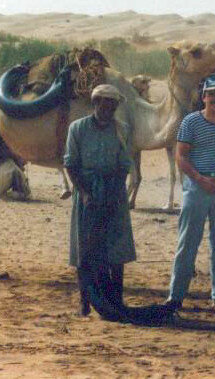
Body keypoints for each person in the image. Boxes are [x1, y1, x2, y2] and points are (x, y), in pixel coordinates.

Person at [167, 75, 215, 312]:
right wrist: (200, 179)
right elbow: (181, 155)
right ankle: (175, 296)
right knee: (187, 242)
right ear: (204, 97)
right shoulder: (191, 122)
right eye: (211, 95)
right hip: (196, 187)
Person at [65, 84, 136, 316]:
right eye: (104, 103)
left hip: (114, 191)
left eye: (112, 104)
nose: (108, 108)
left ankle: (117, 301)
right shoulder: (77, 128)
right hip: (86, 191)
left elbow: (124, 165)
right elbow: (70, 164)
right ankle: (84, 302)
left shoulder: (122, 129)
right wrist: (85, 194)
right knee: (84, 250)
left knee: (116, 249)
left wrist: (114, 195)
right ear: (95, 103)